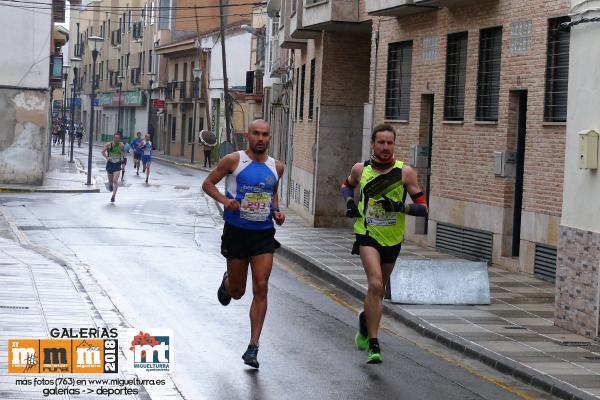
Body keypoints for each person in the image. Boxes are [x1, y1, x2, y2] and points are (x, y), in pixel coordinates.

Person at [340, 124, 428, 364]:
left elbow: (423, 207)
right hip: (367, 233)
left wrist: (401, 207)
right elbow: (346, 185)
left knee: (377, 292)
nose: (386, 147)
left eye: (390, 143)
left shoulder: (405, 173)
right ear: (372, 143)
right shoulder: (361, 169)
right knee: (375, 283)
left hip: (393, 238)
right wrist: (350, 203)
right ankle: (374, 342)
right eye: (381, 142)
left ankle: (364, 320)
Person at [202, 119, 285, 369]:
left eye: (265, 135)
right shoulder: (233, 160)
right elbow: (207, 184)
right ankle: (228, 282)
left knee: (261, 286)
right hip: (236, 232)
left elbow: (273, 193)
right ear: (248, 136)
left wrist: (277, 212)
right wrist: (225, 201)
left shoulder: (277, 167)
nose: (261, 138)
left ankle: (253, 347)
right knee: (238, 292)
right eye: (256, 134)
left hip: (263, 234)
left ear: (270, 138)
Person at [102, 133, 125, 203]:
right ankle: (110, 185)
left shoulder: (121, 145)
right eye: (115, 138)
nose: (117, 139)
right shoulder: (109, 144)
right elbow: (103, 152)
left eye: (118, 138)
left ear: (120, 139)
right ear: (113, 138)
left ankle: (113, 196)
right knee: (110, 182)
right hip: (110, 164)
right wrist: (107, 157)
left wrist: (122, 158)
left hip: (117, 164)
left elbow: (122, 153)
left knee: (115, 180)